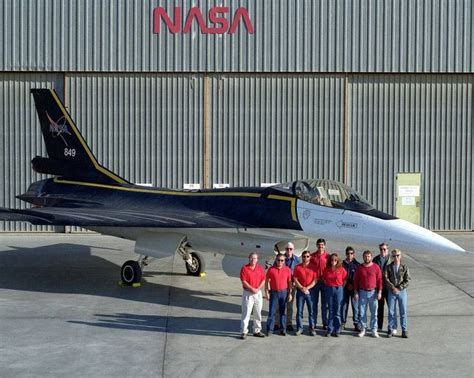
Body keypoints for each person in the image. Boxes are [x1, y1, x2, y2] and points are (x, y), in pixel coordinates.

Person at [354, 250, 382, 338]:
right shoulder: (359, 268)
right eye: (365, 256)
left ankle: (374, 330)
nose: (367, 258)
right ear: (363, 257)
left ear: (371, 257)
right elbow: (356, 281)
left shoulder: (376, 267)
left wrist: (380, 292)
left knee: (374, 313)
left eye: (369, 256)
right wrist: (356, 292)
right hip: (362, 292)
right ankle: (363, 329)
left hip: (373, 292)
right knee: (362, 312)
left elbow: (380, 280)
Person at [384, 249, 411, 338]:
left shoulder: (404, 267)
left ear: (400, 256)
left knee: (403, 311)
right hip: (391, 291)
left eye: (398, 255)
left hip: (401, 292)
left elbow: (407, 280)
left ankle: (404, 330)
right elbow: (386, 279)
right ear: (392, 257)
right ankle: (391, 328)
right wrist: (393, 288)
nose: (396, 257)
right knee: (391, 311)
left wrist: (399, 288)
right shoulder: (388, 267)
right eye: (394, 256)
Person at [274, 242, 300, 331]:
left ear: (293, 249)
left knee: (289, 306)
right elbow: (274, 270)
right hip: (281, 286)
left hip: (292, 286)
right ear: (285, 249)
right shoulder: (280, 258)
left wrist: (295, 283)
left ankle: (289, 323)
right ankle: (277, 323)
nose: (289, 251)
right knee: (278, 306)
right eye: (287, 249)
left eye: (291, 249)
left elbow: (299, 272)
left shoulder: (297, 260)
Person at [239, 252, 266, 339]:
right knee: (246, 312)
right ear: (249, 258)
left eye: (254, 258)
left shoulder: (260, 268)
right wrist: (252, 288)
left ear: (257, 259)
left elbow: (263, 279)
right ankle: (244, 331)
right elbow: (244, 281)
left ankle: (257, 330)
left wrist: (258, 288)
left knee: (258, 312)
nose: (253, 260)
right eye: (251, 258)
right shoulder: (244, 268)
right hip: (248, 293)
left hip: (257, 293)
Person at [265, 253, 293, 336]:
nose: (280, 262)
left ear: (284, 261)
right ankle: (270, 329)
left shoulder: (287, 269)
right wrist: (266, 292)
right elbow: (267, 281)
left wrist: (290, 293)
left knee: (282, 312)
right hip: (274, 292)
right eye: (278, 260)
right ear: (276, 260)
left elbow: (289, 282)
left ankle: (283, 329)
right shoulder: (271, 269)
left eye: (282, 260)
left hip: (283, 293)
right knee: (272, 312)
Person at [322, 253, 347, 337]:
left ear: (338, 261)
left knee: (338, 310)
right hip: (329, 289)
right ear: (330, 260)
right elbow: (324, 279)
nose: (333, 261)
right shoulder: (326, 270)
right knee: (331, 309)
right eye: (332, 260)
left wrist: (339, 287)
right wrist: (330, 286)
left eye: (335, 260)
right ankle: (330, 329)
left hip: (338, 290)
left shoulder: (341, 269)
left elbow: (344, 279)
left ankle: (337, 329)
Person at [292, 250, 316, 335]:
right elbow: (295, 279)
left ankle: (312, 328)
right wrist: (302, 288)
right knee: (299, 311)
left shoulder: (313, 267)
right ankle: (299, 328)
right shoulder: (297, 267)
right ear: (302, 257)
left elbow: (315, 280)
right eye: (304, 256)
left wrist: (307, 288)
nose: (306, 258)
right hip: (300, 291)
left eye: (307, 256)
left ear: (310, 257)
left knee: (311, 311)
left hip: (310, 291)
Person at [309, 238, 329, 329]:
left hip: (325, 283)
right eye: (319, 245)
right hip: (315, 283)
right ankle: (313, 323)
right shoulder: (312, 256)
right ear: (316, 245)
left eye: (322, 245)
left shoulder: (328, 257)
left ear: (324, 245)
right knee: (314, 303)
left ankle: (325, 322)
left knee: (325, 304)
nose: (320, 247)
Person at [341, 246, 360, 331]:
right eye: (348, 253)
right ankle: (343, 322)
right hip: (344, 288)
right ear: (346, 254)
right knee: (344, 306)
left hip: (354, 288)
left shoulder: (357, 264)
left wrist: (353, 285)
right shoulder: (342, 264)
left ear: (354, 254)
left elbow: (358, 278)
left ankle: (356, 323)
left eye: (351, 253)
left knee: (355, 307)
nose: (350, 255)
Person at [373, 242, 390, 331]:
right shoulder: (375, 259)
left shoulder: (392, 259)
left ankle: (392, 327)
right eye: (381, 249)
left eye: (384, 249)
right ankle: (379, 326)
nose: (383, 251)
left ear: (388, 249)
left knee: (391, 307)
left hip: (389, 287)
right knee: (380, 307)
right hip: (379, 287)